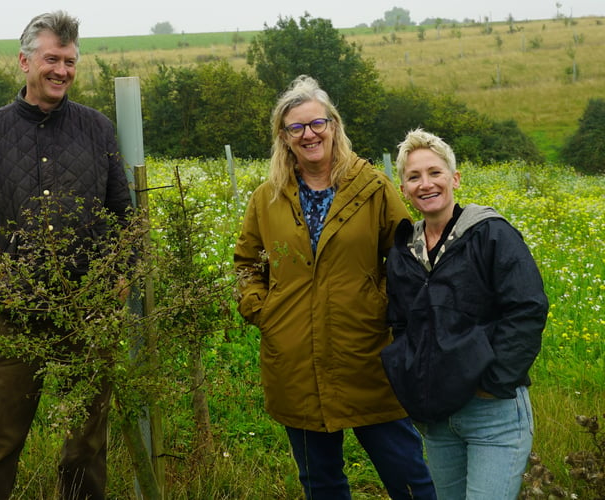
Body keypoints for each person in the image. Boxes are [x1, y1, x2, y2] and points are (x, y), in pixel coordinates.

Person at [0, 11, 132, 500]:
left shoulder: (97, 130)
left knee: (86, 443)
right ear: (25, 61)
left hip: (89, 313)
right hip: (15, 313)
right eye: (53, 58)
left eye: (70, 61)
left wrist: (119, 275)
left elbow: (122, 217)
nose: (62, 70)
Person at [233, 75, 436, 499]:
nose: (309, 134)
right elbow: (246, 264)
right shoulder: (266, 198)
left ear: (334, 126)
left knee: (407, 476)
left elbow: (407, 260)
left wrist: (381, 307)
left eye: (317, 123)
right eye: (296, 127)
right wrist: (263, 311)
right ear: (284, 138)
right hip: (295, 359)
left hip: (365, 352)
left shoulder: (373, 187)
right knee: (320, 482)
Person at [382, 128, 549, 499]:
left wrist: (490, 382)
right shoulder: (403, 253)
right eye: (414, 177)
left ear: (454, 178)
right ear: (405, 189)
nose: (426, 184)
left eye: (434, 172)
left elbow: (527, 309)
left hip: (493, 414)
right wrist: (413, 379)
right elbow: (400, 323)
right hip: (438, 419)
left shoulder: (491, 234)